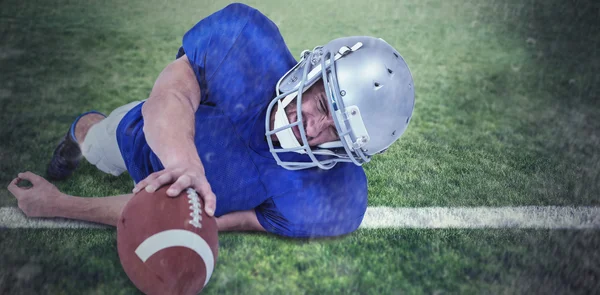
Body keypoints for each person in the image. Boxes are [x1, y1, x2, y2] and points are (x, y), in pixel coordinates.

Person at [7, 3, 415, 238]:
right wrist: (183, 165)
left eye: (337, 137)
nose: (312, 131)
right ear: (314, 73)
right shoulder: (246, 42)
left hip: (202, 188)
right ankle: (78, 133)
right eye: (325, 106)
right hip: (145, 135)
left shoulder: (336, 198)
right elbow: (171, 93)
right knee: (96, 140)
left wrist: (202, 220)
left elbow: (246, 219)